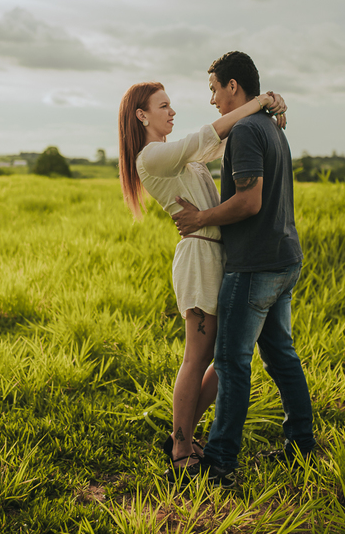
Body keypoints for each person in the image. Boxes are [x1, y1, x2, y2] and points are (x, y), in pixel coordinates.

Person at [118, 80, 288, 477]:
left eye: (170, 104)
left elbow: (229, 139)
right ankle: (180, 447)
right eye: (163, 106)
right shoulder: (152, 157)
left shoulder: (183, 159)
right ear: (142, 116)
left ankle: (184, 435)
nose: (172, 111)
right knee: (197, 357)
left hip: (218, 256)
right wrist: (261, 100)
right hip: (198, 257)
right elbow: (208, 134)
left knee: (223, 357)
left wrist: (268, 109)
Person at [172, 51, 315, 489]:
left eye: (215, 88)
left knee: (231, 364)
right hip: (284, 260)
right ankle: (302, 445)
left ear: (234, 86)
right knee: (282, 356)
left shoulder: (247, 132)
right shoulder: (271, 127)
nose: (213, 99)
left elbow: (250, 201)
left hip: (254, 266)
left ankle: (220, 461)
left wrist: (200, 219)